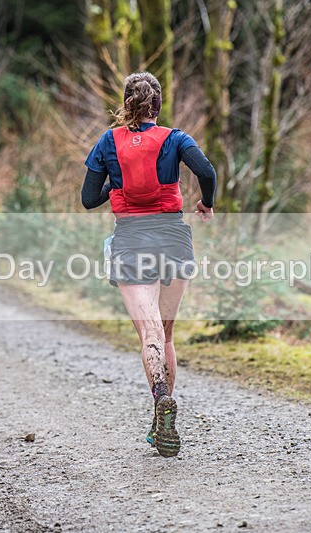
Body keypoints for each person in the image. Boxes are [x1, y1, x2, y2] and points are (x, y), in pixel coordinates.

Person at [82, 72, 216, 457]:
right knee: (168, 334)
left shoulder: (108, 142)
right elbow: (206, 172)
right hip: (173, 237)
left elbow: (89, 198)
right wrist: (206, 202)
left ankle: (159, 397)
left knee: (150, 335)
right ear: (158, 106)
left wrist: (115, 186)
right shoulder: (175, 139)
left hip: (131, 240)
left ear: (126, 104)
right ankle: (164, 412)